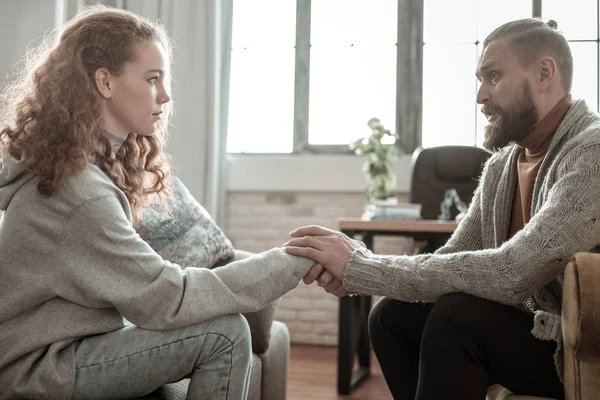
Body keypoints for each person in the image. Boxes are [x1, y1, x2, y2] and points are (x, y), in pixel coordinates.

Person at [0, 6, 314, 400]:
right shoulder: (78, 193)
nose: (165, 96)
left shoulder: (77, 168)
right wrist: (291, 260)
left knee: (223, 326)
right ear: (105, 82)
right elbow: (166, 299)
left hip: (58, 352)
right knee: (225, 332)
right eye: (152, 80)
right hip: (39, 368)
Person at [285, 18, 600, 400]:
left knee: (458, 319)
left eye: (494, 76)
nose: (480, 95)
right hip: (535, 330)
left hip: (574, 344)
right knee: (390, 317)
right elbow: (451, 259)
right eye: (479, 80)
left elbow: (511, 271)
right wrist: (360, 277)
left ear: (544, 72)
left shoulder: (591, 154)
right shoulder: (501, 167)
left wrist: (363, 267)